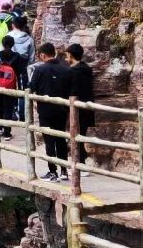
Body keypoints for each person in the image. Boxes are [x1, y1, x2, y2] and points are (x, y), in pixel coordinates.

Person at [30, 42, 70, 183]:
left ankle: (52, 172)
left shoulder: (40, 70)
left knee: (49, 141)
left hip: (46, 110)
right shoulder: (65, 68)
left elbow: (31, 87)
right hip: (62, 109)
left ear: (42, 55)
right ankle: (64, 171)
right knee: (61, 139)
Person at [65, 43, 95, 176]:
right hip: (87, 106)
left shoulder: (72, 71)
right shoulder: (87, 69)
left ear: (70, 55)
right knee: (81, 135)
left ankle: (80, 165)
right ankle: (80, 163)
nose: (66, 58)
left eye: (67, 55)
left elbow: (71, 89)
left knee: (76, 136)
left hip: (76, 108)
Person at [0, 36, 23, 141]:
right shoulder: (16, 56)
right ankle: (7, 133)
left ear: (2, 44)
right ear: (13, 44)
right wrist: (20, 87)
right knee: (8, 109)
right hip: (10, 88)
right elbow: (19, 73)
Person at [7, 16, 36, 120]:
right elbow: (32, 58)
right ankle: (23, 116)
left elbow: (2, 52)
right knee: (23, 90)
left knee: (9, 88)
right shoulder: (29, 39)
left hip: (9, 67)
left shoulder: (8, 36)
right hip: (23, 67)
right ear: (23, 26)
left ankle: (13, 113)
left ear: (13, 25)